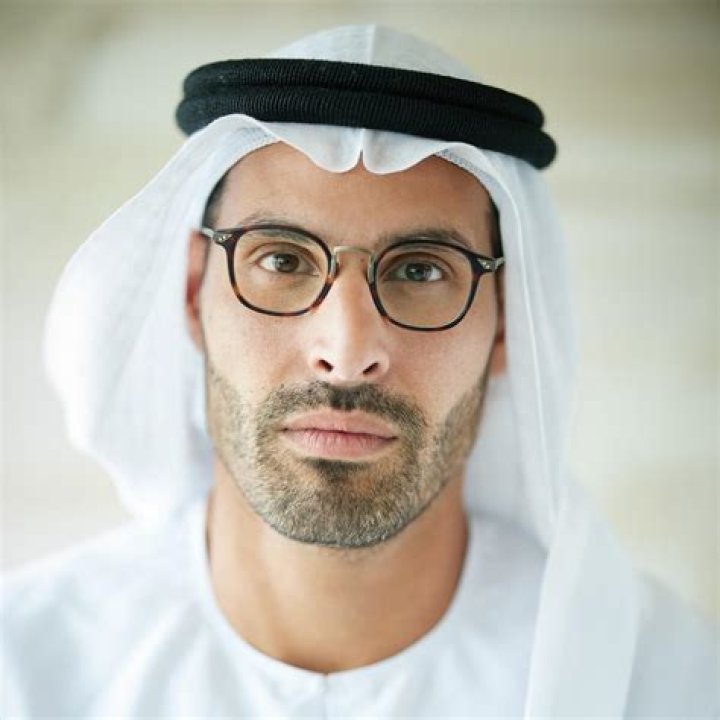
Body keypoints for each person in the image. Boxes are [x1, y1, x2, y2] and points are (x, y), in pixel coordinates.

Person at [1, 24, 716, 718]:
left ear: (507, 321)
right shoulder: (26, 669)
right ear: (192, 291)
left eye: (419, 270)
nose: (345, 354)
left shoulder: (664, 680)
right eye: (281, 259)